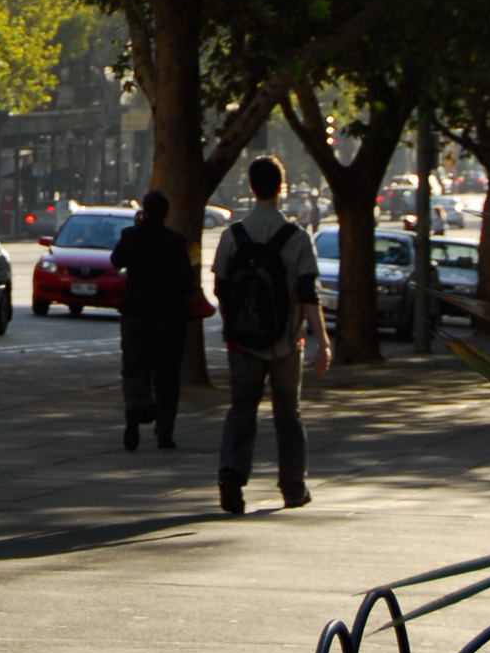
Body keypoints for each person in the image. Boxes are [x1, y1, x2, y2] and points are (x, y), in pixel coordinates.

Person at [213, 155, 330, 514]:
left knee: (241, 408)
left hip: (241, 342)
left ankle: (232, 472)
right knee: (288, 414)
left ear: (251, 187)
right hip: (284, 343)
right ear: (282, 188)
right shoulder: (296, 238)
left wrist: (238, 322)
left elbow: (220, 287)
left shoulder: (232, 236)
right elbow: (309, 293)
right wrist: (321, 342)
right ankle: (293, 486)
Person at [112, 190, 196, 451]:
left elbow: (116, 261)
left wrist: (136, 227)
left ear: (144, 211)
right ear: (166, 213)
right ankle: (165, 432)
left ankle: (137, 408)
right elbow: (186, 280)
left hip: (136, 313)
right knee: (168, 375)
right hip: (170, 317)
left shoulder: (131, 236)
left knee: (134, 367)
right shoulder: (175, 241)